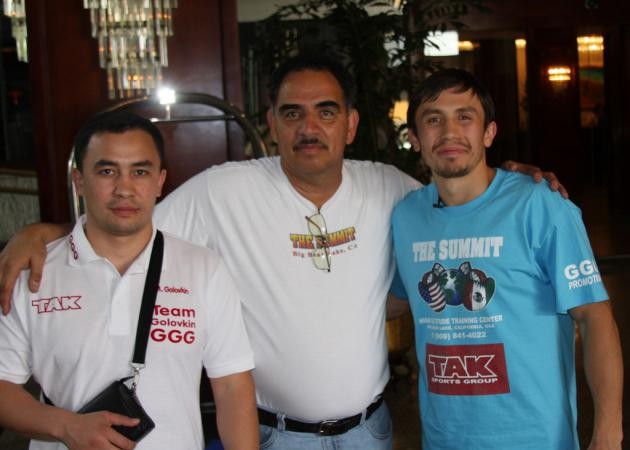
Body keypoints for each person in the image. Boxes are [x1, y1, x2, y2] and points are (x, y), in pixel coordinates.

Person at [0, 54, 566, 450]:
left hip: (371, 433)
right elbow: (126, 223)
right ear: (271, 125)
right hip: (273, 435)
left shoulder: (391, 188)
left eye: (326, 111)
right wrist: (46, 232)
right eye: (292, 113)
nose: (309, 127)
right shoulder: (223, 191)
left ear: (350, 124)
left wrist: (517, 179)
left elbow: (465, 198)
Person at [390, 68, 623, 449]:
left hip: (535, 438)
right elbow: (395, 301)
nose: (449, 132)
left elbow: (594, 316)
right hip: (445, 439)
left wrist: (608, 433)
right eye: (433, 120)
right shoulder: (406, 216)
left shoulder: (539, 204)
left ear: (489, 132)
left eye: (464, 117)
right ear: (414, 138)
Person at [0, 111, 258, 450]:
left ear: (160, 181)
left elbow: (232, 387)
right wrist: (66, 427)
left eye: (140, 171)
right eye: (107, 172)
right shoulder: (32, 271)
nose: (124, 189)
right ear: (79, 181)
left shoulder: (204, 269)